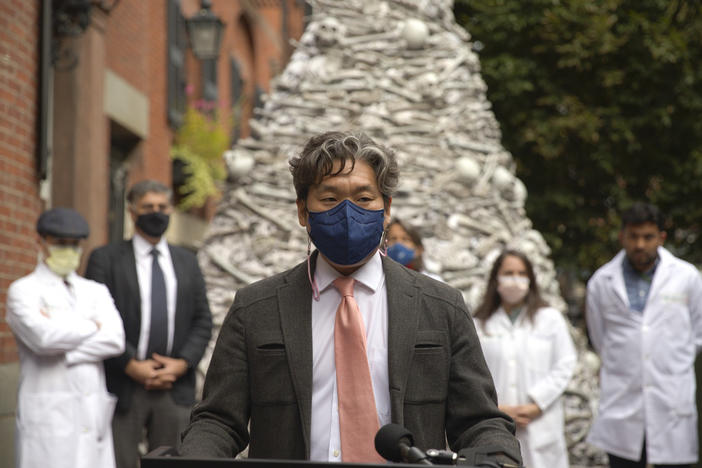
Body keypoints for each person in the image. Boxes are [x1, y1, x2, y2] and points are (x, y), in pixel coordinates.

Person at [179, 131, 522, 466]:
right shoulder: (255, 309)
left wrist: (498, 455)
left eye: (363, 199)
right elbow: (219, 421)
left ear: (386, 209)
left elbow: (480, 422)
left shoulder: (440, 307)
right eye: (329, 199)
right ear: (303, 211)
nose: (347, 213)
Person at [85, 180, 212, 468]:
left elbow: (202, 320)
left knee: (173, 462)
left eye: (162, 207)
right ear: (132, 212)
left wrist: (181, 364)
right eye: (148, 207)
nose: (156, 213)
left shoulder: (188, 261)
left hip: (174, 386)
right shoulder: (105, 259)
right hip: (123, 384)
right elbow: (95, 319)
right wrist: (130, 364)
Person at [7, 207, 125, 468]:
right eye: (60, 243)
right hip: (47, 422)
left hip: (91, 419)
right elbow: (44, 339)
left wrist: (66, 349)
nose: (69, 251)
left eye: (75, 245)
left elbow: (115, 339)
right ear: (40, 242)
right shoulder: (23, 291)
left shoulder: (95, 291)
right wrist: (93, 325)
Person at [586, 202, 702, 468]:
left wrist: (667, 357)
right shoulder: (601, 282)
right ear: (622, 237)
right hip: (622, 405)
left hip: (671, 400)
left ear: (661, 238)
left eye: (648, 237)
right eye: (633, 236)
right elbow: (600, 338)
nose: (640, 245)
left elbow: (697, 334)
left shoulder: (687, 277)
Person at [474, 249, 576, 468]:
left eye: (521, 273)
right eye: (508, 272)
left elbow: (565, 363)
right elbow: (471, 372)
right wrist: (497, 409)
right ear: (496, 279)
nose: (515, 279)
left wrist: (537, 403)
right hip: (495, 421)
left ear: (530, 278)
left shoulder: (549, 319)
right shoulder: (480, 323)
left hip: (540, 424)